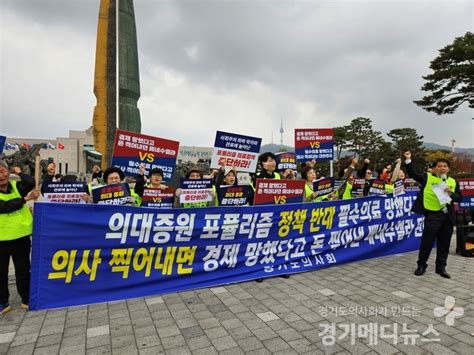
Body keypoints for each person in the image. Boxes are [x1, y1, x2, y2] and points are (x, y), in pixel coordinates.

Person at [404, 151, 462, 278]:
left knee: (444, 243)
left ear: (448, 169)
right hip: (432, 215)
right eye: (440, 166)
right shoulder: (427, 177)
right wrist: (408, 160)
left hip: (447, 217)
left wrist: (451, 193)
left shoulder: (452, 181)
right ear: (435, 168)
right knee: (427, 242)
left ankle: (441, 268)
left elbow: (459, 198)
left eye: (445, 166)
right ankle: (421, 266)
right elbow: (413, 174)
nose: (442, 168)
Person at [0, 161, 39, 313]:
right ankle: (3, 302)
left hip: (20, 237)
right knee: (1, 272)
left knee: (23, 270)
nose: (1, 175)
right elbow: (4, 207)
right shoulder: (22, 196)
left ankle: (26, 298)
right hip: (1, 240)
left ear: (8, 172)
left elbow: (31, 182)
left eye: (3, 171)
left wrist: (19, 171)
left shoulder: (17, 187)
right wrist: (25, 199)